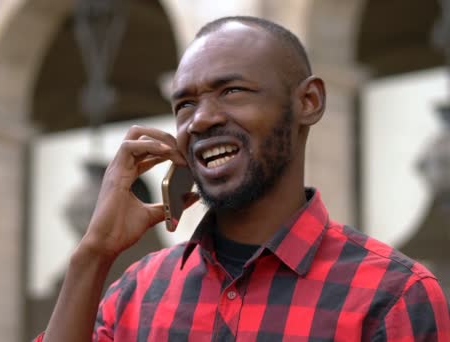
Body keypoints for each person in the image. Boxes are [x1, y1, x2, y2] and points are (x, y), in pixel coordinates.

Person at [37, 16, 450, 341]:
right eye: (185, 103)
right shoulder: (138, 293)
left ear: (308, 102)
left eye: (232, 91)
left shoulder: (392, 295)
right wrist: (92, 254)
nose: (201, 119)